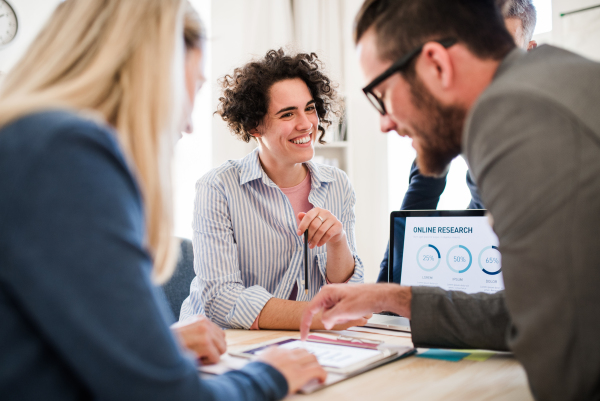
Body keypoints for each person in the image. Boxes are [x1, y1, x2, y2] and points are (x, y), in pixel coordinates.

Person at [0, 0, 327, 399]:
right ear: (150, 76)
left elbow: (37, 343)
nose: (188, 123)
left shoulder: (28, 142)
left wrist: (161, 347)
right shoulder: (67, 155)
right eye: (193, 86)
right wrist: (271, 373)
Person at [301, 0, 600, 400]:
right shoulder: (548, 83)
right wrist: (389, 296)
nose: (385, 122)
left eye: (383, 94)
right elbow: (537, 315)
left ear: (437, 64)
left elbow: (565, 371)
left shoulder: (516, 119)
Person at [179, 49, 366, 330]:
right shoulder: (218, 188)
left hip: (304, 342)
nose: (306, 124)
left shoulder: (337, 184)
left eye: (310, 108)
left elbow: (347, 293)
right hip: (225, 344)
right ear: (255, 125)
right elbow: (220, 300)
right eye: (287, 113)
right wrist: (318, 317)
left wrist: (338, 241)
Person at [377, 0, 538, 283]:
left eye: (503, 52)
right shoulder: (461, 110)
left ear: (529, 53)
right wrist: (387, 289)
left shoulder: (550, 126)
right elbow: (422, 194)